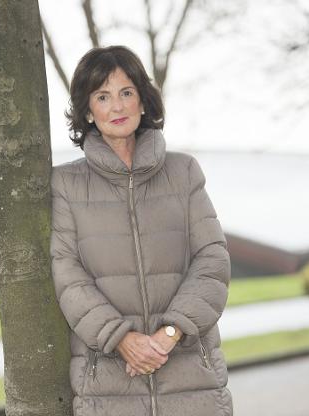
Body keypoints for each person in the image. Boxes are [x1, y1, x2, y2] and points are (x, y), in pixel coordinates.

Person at [50, 45, 232, 416]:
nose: (117, 107)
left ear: (144, 102)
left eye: (126, 93)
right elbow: (67, 274)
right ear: (88, 111)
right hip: (108, 386)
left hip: (191, 379)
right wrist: (122, 340)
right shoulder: (66, 184)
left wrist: (169, 335)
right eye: (103, 96)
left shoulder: (184, 173)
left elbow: (212, 260)